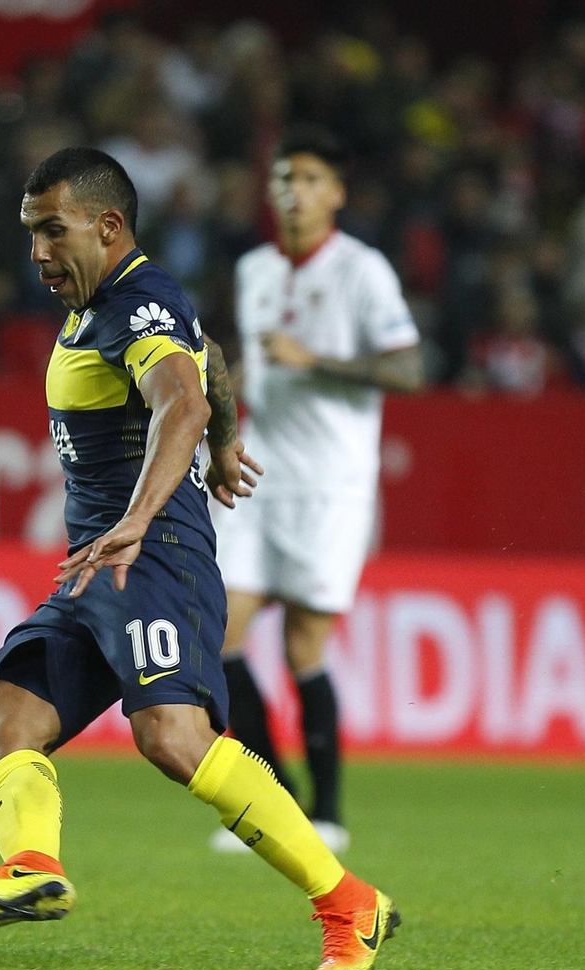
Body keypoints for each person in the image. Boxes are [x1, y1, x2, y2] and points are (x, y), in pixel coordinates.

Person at [0, 147, 400, 970]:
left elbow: (179, 395)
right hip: (98, 561)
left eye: (51, 231)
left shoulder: (135, 300)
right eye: (31, 233)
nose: (36, 253)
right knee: (5, 721)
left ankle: (349, 904)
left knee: (174, 738)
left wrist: (143, 515)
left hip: (152, 555)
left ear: (107, 226)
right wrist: (227, 436)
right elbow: (206, 359)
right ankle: (31, 868)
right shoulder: (116, 305)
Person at [210, 126, 423, 855]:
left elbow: (409, 368)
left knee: (305, 644)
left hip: (330, 485)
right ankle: (279, 802)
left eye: (306, 178)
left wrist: (319, 360)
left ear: (336, 192)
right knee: (223, 631)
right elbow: (254, 367)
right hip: (257, 475)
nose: (290, 192)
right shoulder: (254, 270)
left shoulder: (364, 271)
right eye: (281, 180)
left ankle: (327, 811)